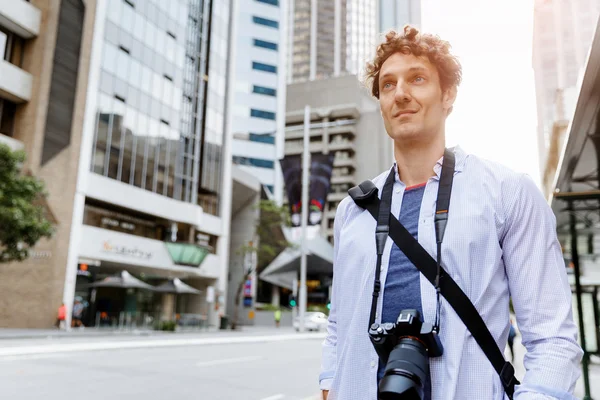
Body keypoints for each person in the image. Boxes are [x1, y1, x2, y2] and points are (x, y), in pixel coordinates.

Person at [320, 25, 582, 400]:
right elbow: (338, 325)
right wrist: (329, 384)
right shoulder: (353, 210)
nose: (401, 94)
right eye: (388, 84)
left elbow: (552, 335)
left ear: (448, 95)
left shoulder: (506, 192)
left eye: (418, 79)